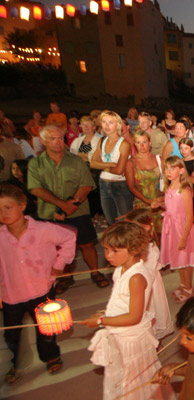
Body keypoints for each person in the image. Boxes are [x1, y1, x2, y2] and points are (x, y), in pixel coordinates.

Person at [81, 221, 175, 400]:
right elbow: (122, 301)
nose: (108, 255)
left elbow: (134, 316)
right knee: (120, 374)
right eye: (107, 249)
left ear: (133, 249)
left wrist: (101, 321)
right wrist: (106, 314)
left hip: (131, 339)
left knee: (134, 381)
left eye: (115, 251)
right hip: (119, 332)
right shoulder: (121, 269)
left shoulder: (137, 277)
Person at [0, 184, 76, 383]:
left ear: (22, 205)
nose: (3, 213)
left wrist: (59, 265)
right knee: (12, 334)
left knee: (46, 329)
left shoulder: (43, 229)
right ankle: (18, 362)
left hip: (41, 289)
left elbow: (69, 237)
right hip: (11, 294)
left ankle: (51, 356)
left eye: (8, 207)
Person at [29, 125, 108, 293]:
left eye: (60, 138)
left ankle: (95, 273)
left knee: (87, 243)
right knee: (57, 248)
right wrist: (62, 205)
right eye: (53, 138)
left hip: (77, 211)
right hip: (50, 213)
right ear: (43, 141)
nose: (58, 142)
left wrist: (72, 204)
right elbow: (36, 189)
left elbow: (86, 185)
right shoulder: (36, 163)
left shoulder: (76, 160)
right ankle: (65, 277)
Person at [122, 208, 173, 339]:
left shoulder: (149, 248)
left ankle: (153, 339)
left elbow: (147, 273)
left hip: (149, 286)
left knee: (151, 310)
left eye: (132, 226)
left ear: (146, 227)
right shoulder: (137, 243)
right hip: (141, 282)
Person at [159, 156, 194, 303]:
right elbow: (171, 206)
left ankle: (189, 287)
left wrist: (184, 237)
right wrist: (160, 205)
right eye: (166, 169)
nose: (168, 172)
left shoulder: (185, 189)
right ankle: (182, 284)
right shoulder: (169, 187)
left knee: (185, 258)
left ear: (181, 170)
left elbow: (190, 216)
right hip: (171, 227)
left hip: (182, 228)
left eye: (173, 168)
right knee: (177, 258)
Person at [90, 110, 133, 225]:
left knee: (124, 222)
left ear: (118, 124)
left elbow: (119, 170)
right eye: (104, 122)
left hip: (120, 186)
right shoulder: (102, 140)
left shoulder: (124, 144)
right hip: (104, 184)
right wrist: (109, 165)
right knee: (111, 222)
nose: (107, 126)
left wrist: (102, 165)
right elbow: (92, 163)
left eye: (110, 122)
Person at [125, 131, 163, 234]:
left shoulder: (159, 159)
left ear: (150, 142)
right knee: (145, 234)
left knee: (162, 234)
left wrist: (163, 200)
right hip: (142, 203)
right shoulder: (131, 162)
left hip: (159, 202)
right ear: (135, 144)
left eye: (144, 142)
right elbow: (131, 186)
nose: (142, 146)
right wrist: (147, 201)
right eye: (138, 142)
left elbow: (168, 181)